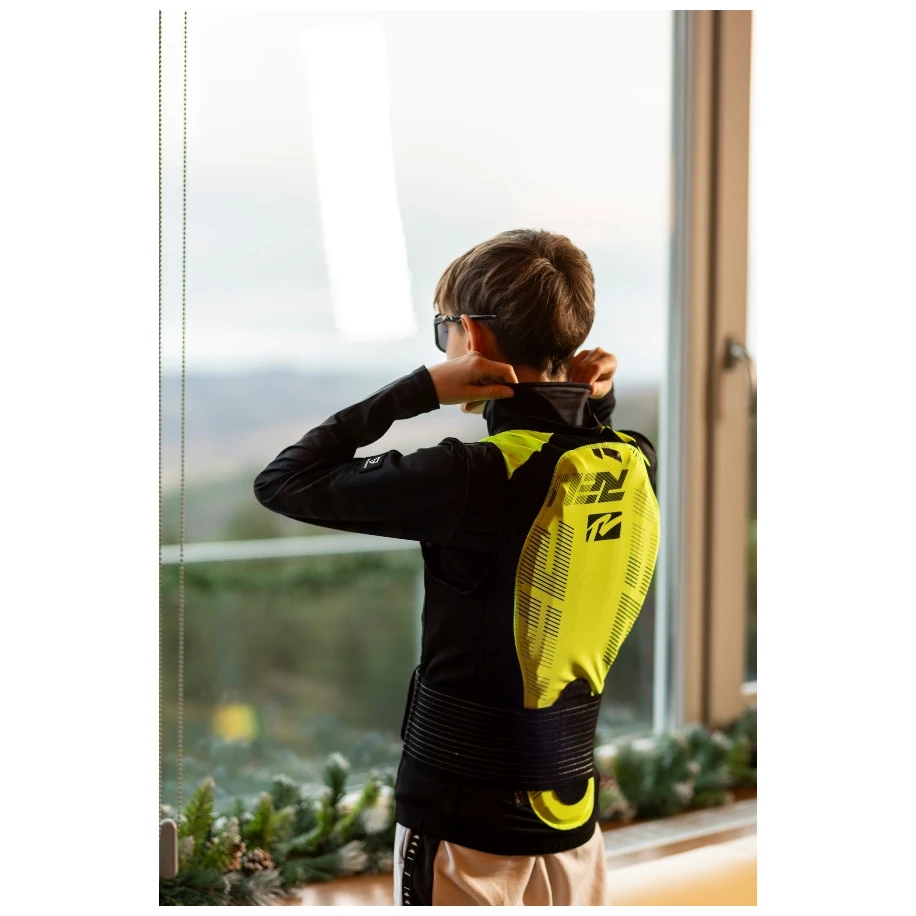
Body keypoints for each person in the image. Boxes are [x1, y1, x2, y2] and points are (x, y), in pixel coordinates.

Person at [253, 228, 660, 906]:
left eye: (443, 330)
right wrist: (592, 402)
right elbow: (579, 447)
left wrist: (416, 391)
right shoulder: (632, 461)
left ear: (470, 334)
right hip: (571, 825)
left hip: (464, 827)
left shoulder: (476, 475)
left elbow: (284, 482)